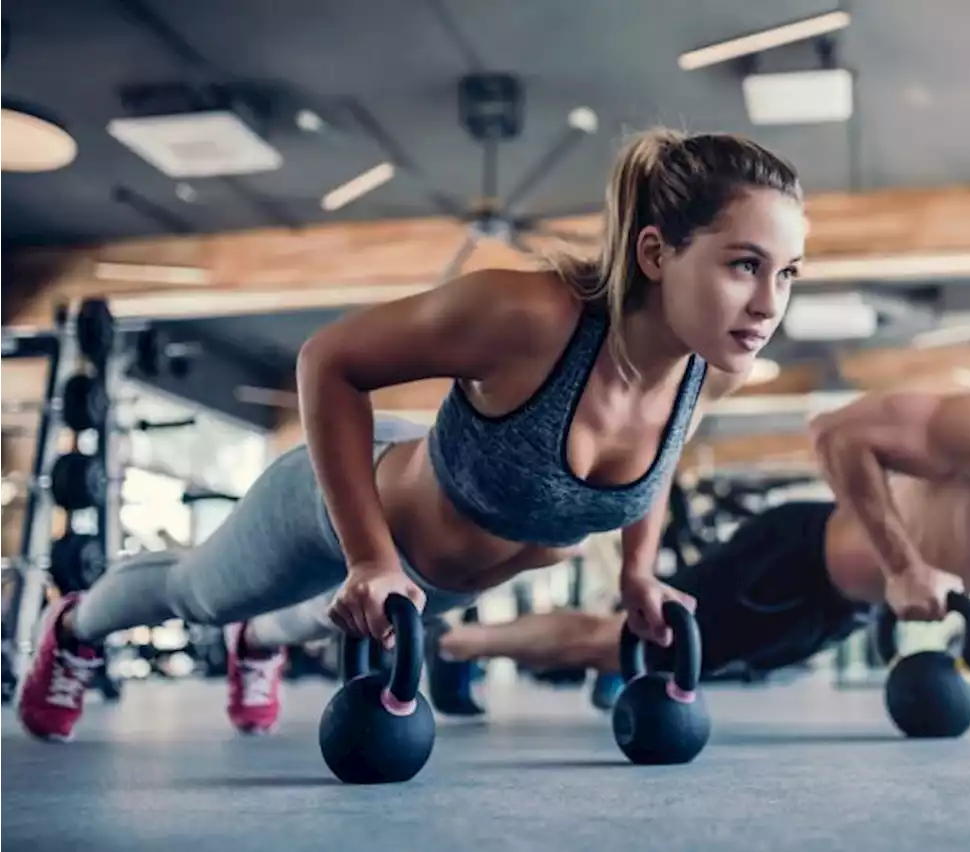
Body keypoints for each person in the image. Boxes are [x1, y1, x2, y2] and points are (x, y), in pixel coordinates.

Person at [17, 127, 808, 741]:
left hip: (428, 582)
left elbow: (655, 464)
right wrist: (368, 556)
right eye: (745, 264)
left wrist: (638, 573)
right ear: (655, 253)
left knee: (317, 615)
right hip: (347, 501)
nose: (769, 302)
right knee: (197, 597)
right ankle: (76, 628)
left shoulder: (710, 369)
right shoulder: (529, 318)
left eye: (788, 273)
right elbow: (329, 360)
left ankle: (261, 644)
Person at [424, 296, 970, 694]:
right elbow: (838, 433)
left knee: (667, 665)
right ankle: (457, 647)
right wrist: (904, 564)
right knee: (615, 641)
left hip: (832, 606)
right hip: (793, 561)